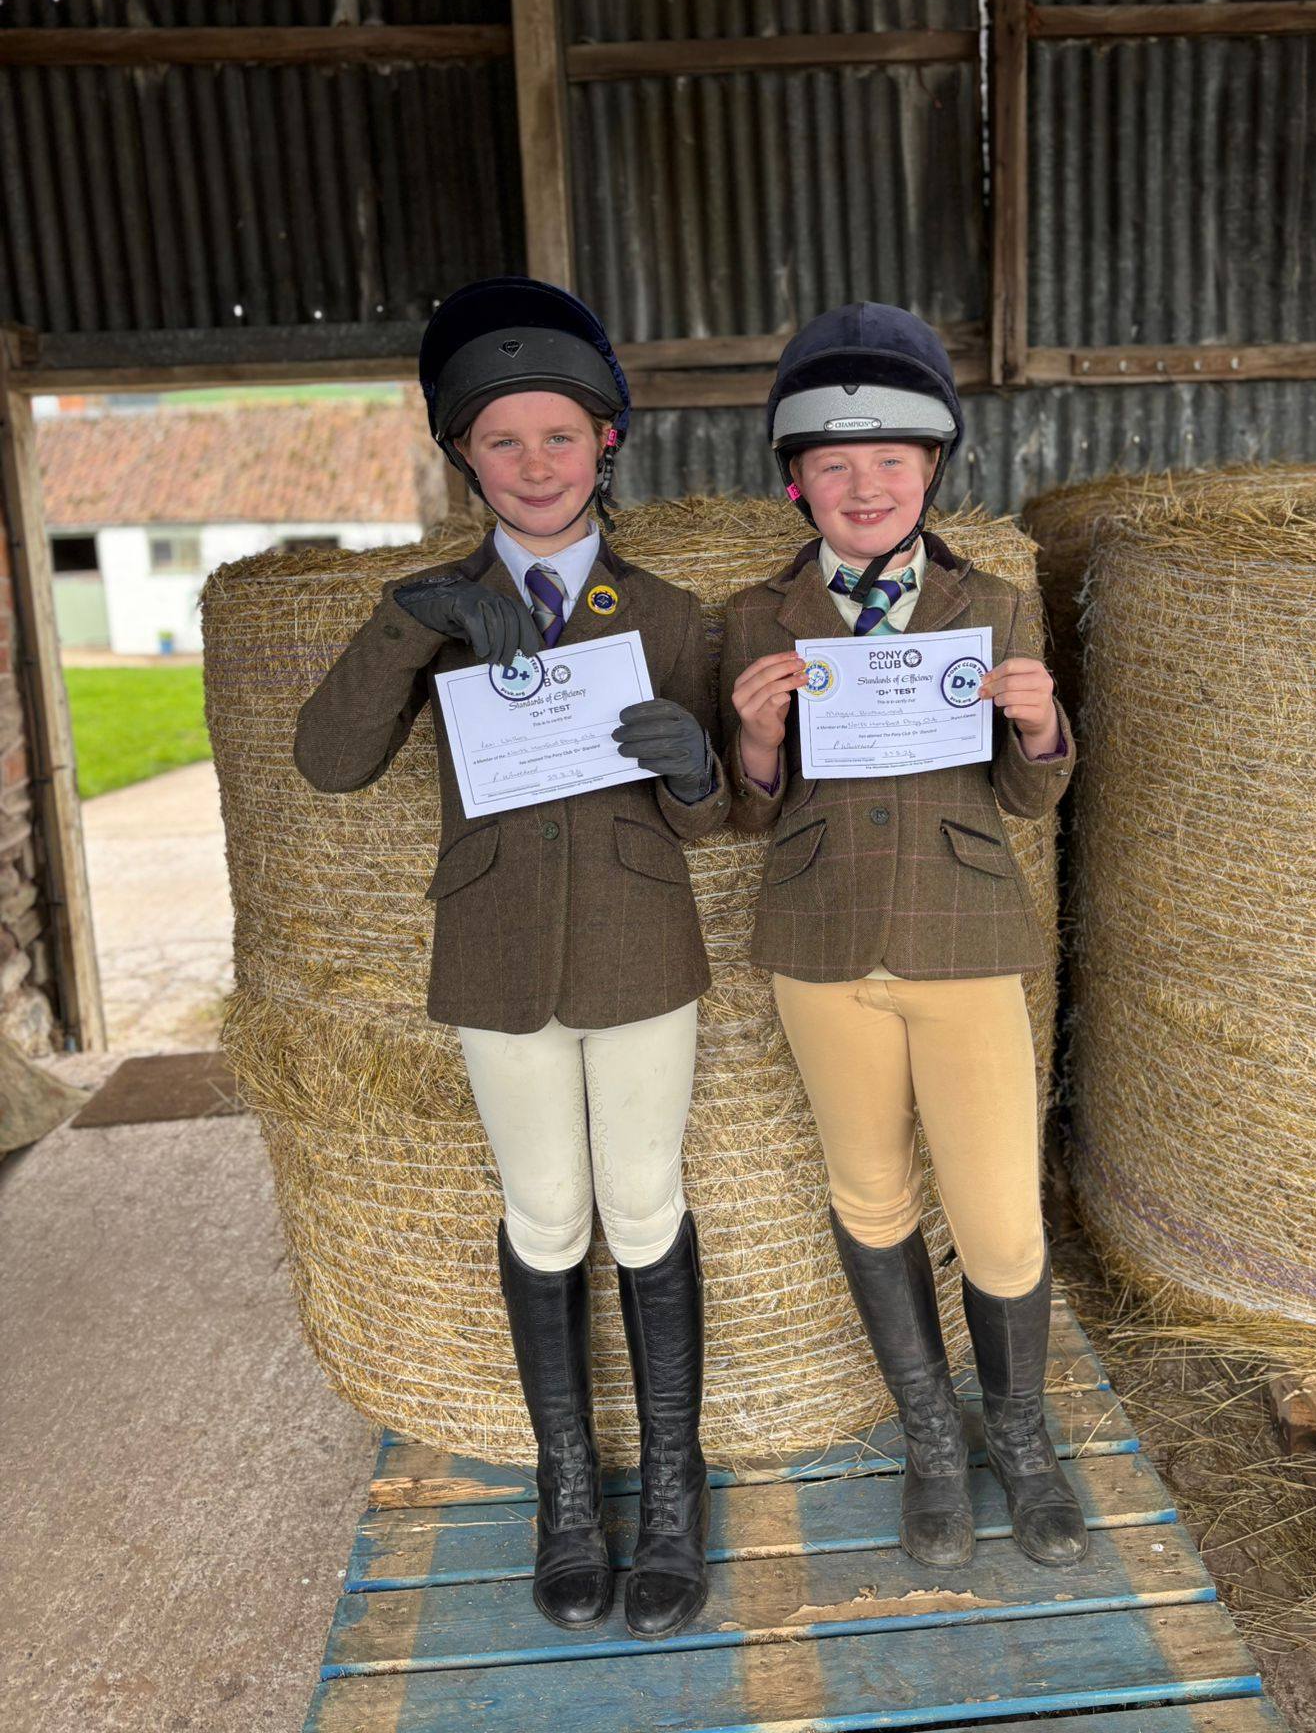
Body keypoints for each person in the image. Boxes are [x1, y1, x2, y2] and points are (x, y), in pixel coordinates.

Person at [294, 277, 727, 1640]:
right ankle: (566, 1495)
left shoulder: (667, 610)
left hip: (639, 948)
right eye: (502, 440)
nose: (535, 465)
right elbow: (328, 762)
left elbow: (717, 813)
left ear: (606, 443)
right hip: (496, 957)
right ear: (462, 455)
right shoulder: (434, 609)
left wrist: (698, 768)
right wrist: (410, 618)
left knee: (642, 1205)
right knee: (545, 1212)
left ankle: (671, 1496)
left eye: (560, 436)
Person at [718, 302, 1086, 1574]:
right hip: (822, 942)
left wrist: (1038, 724)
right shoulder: (756, 615)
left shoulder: (997, 601)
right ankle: (933, 1440)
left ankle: (1022, 1438)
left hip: (963, 935)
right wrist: (754, 740)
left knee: (999, 1216)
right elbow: (743, 811)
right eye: (834, 463)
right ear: (795, 479)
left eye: (890, 459)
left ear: (933, 467)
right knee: (869, 1193)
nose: (864, 485)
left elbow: (1031, 794)